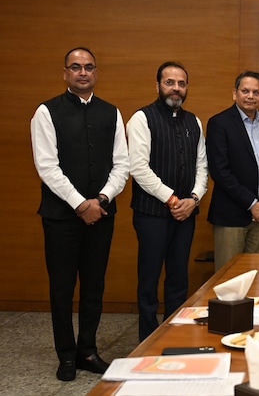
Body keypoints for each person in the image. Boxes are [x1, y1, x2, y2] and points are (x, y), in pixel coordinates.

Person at [31, 47, 130, 381]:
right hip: (61, 217)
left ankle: (88, 349)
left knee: (93, 286)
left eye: (88, 67)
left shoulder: (111, 112)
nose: (83, 72)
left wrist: (100, 199)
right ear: (65, 73)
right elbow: (47, 166)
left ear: (95, 72)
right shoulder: (46, 112)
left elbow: (122, 164)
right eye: (76, 67)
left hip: (102, 214)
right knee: (62, 288)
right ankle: (67, 355)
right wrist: (80, 203)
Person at [127, 61, 208, 341]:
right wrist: (173, 199)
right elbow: (138, 168)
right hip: (152, 215)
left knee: (178, 280)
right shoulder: (141, 119)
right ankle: (147, 341)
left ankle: (174, 336)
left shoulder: (194, 121)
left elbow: (202, 166)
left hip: (186, 214)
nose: (176, 88)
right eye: (169, 82)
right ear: (158, 85)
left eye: (181, 83)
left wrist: (194, 199)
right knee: (149, 281)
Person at [206, 71, 259, 270]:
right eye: (245, 91)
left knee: (257, 277)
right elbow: (220, 172)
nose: (250, 96)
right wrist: (252, 204)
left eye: (256, 92)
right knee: (229, 278)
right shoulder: (219, 123)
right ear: (234, 93)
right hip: (232, 216)